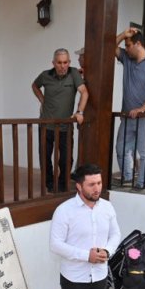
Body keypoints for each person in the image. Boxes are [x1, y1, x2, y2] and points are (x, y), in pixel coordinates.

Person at [32, 49, 88, 193]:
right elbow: (35, 86)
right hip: (46, 124)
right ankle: (49, 184)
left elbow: (84, 92)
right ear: (53, 63)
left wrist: (79, 112)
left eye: (65, 62)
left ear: (69, 62)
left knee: (66, 159)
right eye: (59, 63)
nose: (62, 66)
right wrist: (42, 100)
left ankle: (63, 184)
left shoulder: (74, 73)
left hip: (65, 126)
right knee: (45, 157)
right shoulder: (45, 75)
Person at [114, 29, 145, 190]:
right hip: (127, 116)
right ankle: (128, 177)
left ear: (138, 44)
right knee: (121, 148)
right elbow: (110, 47)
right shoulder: (127, 59)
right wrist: (123, 34)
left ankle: (141, 183)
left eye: (128, 45)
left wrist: (143, 109)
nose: (126, 49)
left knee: (144, 152)